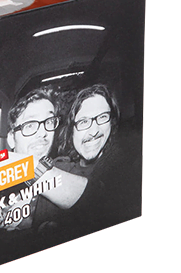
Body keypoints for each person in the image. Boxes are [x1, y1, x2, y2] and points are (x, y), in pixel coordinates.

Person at [0, 86, 88, 230]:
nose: (43, 133)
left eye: (49, 122)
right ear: (11, 139)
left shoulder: (64, 169)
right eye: (30, 125)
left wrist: (29, 167)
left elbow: (92, 195)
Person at [55, 84, 141, 233]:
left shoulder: (126, 169)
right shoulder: (60, 167)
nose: (94, 131)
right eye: (83, 121)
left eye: (102, 117)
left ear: (112, 123)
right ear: (70, 130)